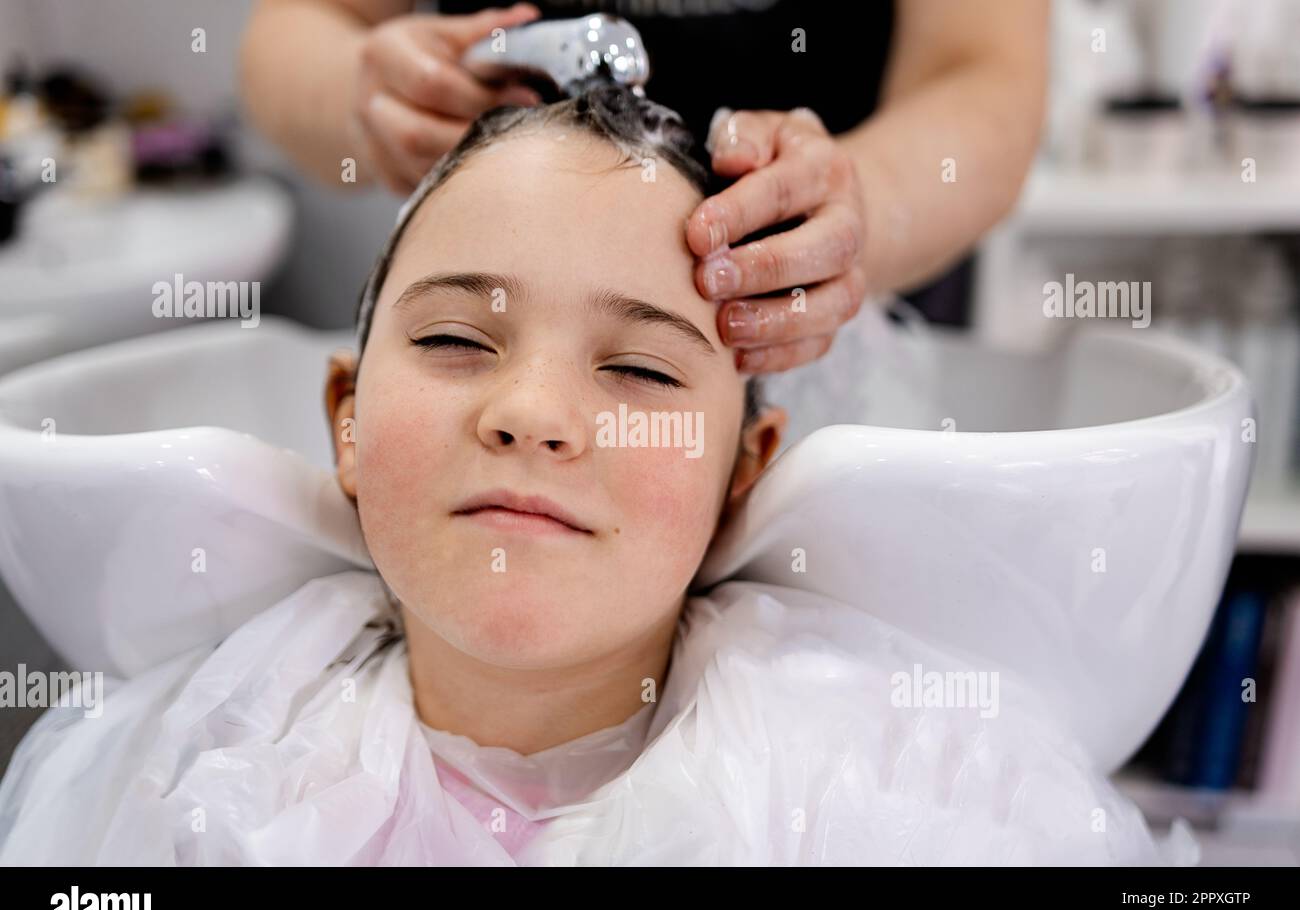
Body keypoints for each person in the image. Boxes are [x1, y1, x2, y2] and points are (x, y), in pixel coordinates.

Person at [0, 87, 1185, 865]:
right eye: (459, 341)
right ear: (347, 423)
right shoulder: (191, 776)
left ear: (741, 473)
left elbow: (984, 76)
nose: (533, 416)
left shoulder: (898, 799)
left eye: (637, 368)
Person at [240, 0, 1049, 372]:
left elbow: (983, 74)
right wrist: (365, 92)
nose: (539, 423)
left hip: (835, 348)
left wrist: (855, 208)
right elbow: (297, 26)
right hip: (506, 301)